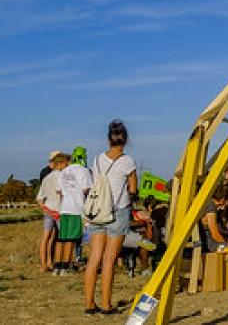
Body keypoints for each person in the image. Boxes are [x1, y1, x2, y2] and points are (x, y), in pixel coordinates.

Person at [83, 120, 138, 316]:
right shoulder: (128, 161)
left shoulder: (97, 159)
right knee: (109, 260)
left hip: (98, 212)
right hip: (118, 211)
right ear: (125, 139)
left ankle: (89, 304)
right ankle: (106, 304)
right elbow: (133, 188)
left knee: (94, 257)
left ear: (108, 139)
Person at [57, 151, 92, 275]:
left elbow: (59, 191)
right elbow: (86, 189)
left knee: (62, 239)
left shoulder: (64, 171)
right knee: (71, 239)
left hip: (64, 208)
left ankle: (58, 266)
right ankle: (66, 267)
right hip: (76, 208)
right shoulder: (83, 170)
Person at [36, 152, 65, 273]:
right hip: (60, 210)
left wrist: (46, 209)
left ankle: (44, 264)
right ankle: (56, 263)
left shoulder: (46, 178)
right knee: (60, 238)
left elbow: (39, 199)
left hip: (49, 210)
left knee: (46, 237)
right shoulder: (63, 177)